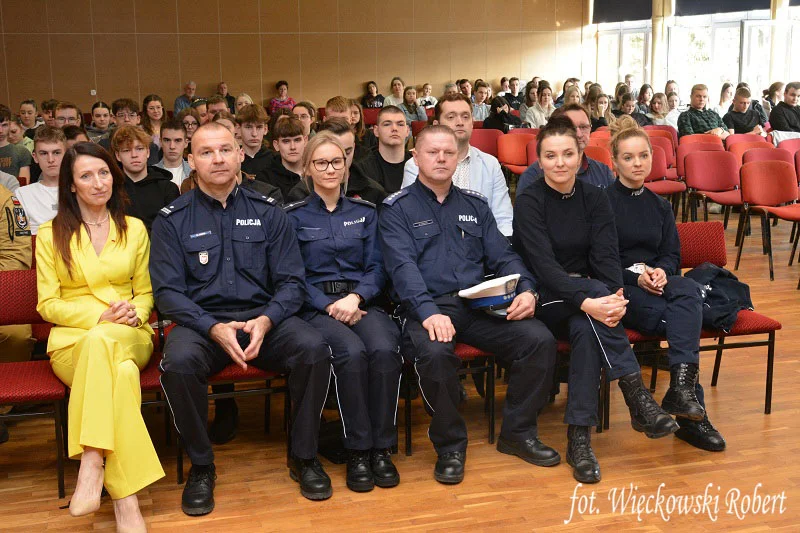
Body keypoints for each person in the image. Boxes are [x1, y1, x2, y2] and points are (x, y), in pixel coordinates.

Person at [150, 122, 333, 512]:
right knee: (178, 364)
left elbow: (292, 282)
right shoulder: (171, 219)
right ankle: (202, 466)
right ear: (191, 161)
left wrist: (267, 320)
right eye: (206, 152)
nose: (217, 159)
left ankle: (304, 456)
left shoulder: (269, 212)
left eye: (224, 150)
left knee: (314, 348)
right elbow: (167, 294)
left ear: (239, 155)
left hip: (265, 321)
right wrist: (212, 327)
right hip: (203, 324)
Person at [381, 125, 559, 484]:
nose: (441, 158)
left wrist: (527, 289)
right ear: (415, 157)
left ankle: (518, 433)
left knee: (538, 339)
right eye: (432, 152)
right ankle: (450, 446)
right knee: (434, 354)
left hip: (476, 306)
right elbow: (402, 270)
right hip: (427, 307)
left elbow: (504, 256)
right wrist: (428, 313)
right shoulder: (396, 209)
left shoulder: (474, 205)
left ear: (458, 157)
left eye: (449, 152)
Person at [512, 116, 679, 484]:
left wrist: (614, 296)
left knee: (588, 332)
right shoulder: (528, 200)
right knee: (591, 313)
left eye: (568, 154)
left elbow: (606, 257)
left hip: (591, 298)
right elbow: (545, 268)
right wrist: (593, 302)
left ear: (580, 155)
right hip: (546, 295)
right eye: (551, 155)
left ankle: (579, 439)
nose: (560, 162)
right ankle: (636, 397)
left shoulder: (595, 197)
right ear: (539, 160)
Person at [36, 141, 164, 532]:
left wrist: (133, 313)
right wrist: (98, 317)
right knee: (119, 372)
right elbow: (47, 304)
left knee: (104, 342)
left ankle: (91, 460)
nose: (98, 183)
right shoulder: (49, 234)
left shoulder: (134, 229)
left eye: (104, 173)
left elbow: (145, 293)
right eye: (87, 176)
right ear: (71, 185)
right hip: (72, 343)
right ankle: (126, 501)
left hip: (129, 333)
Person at [284, 132, 402, 492]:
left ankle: (382, 448)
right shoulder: (293, 217)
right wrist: (329, 305)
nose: (330, 169)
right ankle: (357, 451)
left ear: (346, 165)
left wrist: (356, 298)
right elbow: (292, 276)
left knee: (384, 349)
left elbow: (378, 267)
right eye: (321, 162)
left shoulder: (365, 213)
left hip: (361, 302)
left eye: (337, 161)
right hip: (316, 308)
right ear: (308, 169)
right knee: (350, 353)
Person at [605, 116, 726, 452]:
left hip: (659, 285)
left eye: (643, 155)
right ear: (614, 162)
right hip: (623, 288)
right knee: (685, 316)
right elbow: (600, 261)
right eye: (628, 157)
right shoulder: (602, 203)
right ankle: (692, 415)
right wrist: (636, 277)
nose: (637, 163)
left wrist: (661, 270)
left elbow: (672, 254)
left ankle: (682, 392)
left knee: (688, 288)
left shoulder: (659, 205)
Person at [402, 94, 514, 236]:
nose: (460, 122)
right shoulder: (415, 165)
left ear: (472, 123)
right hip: (432, 243)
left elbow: (503, 219)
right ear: (436, 125)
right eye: (451, 117)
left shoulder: (490, 164)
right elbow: (413, 218)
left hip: (482, 243)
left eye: (465, 117)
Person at [518, 104, 614, 193]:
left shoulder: (604, 173)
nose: (579, 134)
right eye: (571, 128)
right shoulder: (532, 176)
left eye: (584, 127)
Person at [287, 118, 387, 204]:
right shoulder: (299, 195)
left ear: (354, 147)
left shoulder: (373, 191)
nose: (342, 159)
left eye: (347, 152)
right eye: (334, 154)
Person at [111, 125, 180, 232]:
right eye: (126, 150)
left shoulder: (167, 188)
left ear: (148, 152)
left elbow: (175, 229)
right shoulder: (111, 188)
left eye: (139, 149)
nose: (134, 155)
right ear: (118, 156)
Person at [0, 183, 34, 394]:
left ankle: (5, 405)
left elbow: (15, 259)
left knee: (16, 333)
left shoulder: (6, 200)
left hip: (1, 293)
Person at [15, 127, 65, 234]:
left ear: (66, 155)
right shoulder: (22, 194)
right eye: (44, 153)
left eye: (56, 153)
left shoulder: (81, 190)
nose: (50, 160)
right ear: (35, 157)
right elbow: (20, 236)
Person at [355, 106, 412, 193]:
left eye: (400, 124)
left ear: (407, 131)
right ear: (376, 131)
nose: (394, 128)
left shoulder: (418, 164)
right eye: (387, 124)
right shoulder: (362, 168)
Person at [260, 116, 306, 198]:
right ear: (276, 145)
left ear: (305, 141)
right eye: (286, 141)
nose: (293, 147)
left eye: (297, 140)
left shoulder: (317, 172)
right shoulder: (265, 179)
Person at [155, 119, 191, 188]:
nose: (172, 146)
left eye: (177, 140)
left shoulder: (196, 173)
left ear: (186, 143)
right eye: (167, 140)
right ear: (160, 142)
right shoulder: (150, 174)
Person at [236, 103, 270, 175]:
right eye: (248, 127)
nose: (254, 134)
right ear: (238, 129)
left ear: (265, 129)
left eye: (259, 127)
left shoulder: (276, 160)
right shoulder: (233, 160)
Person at [0, 106, 32, 182]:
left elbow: (23, 184)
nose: (0, 130)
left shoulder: (21, 151)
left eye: (4, 125)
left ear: (9, 125)